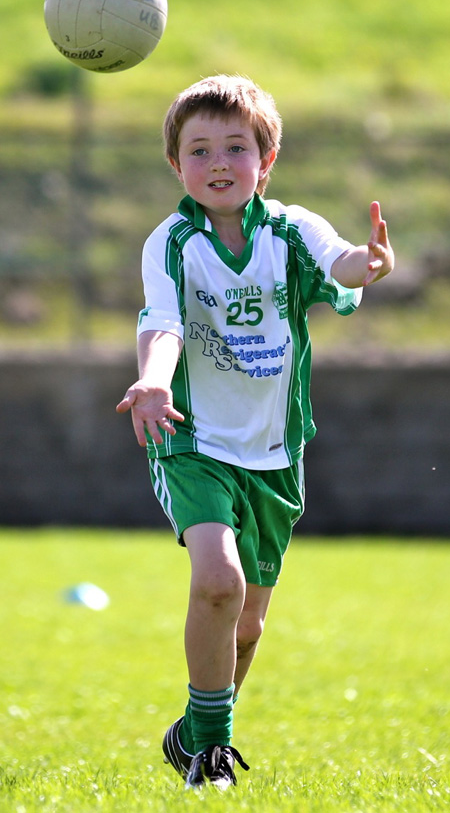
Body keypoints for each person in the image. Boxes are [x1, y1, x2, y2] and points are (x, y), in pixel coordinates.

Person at [116, 74, 394, 790]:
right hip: (193, 441)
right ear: (176, 166)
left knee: (246, 627)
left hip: (275, 451)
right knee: (218, 583)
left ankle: (194, 729)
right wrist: (152, 379)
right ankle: (212, 758)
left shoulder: (291, 231)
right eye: (199, 149)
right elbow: (164, 321)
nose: (218, 163)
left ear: (265, 162)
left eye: (236, 148)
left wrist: (368, 264)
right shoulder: (173, 242)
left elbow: (341, 265)